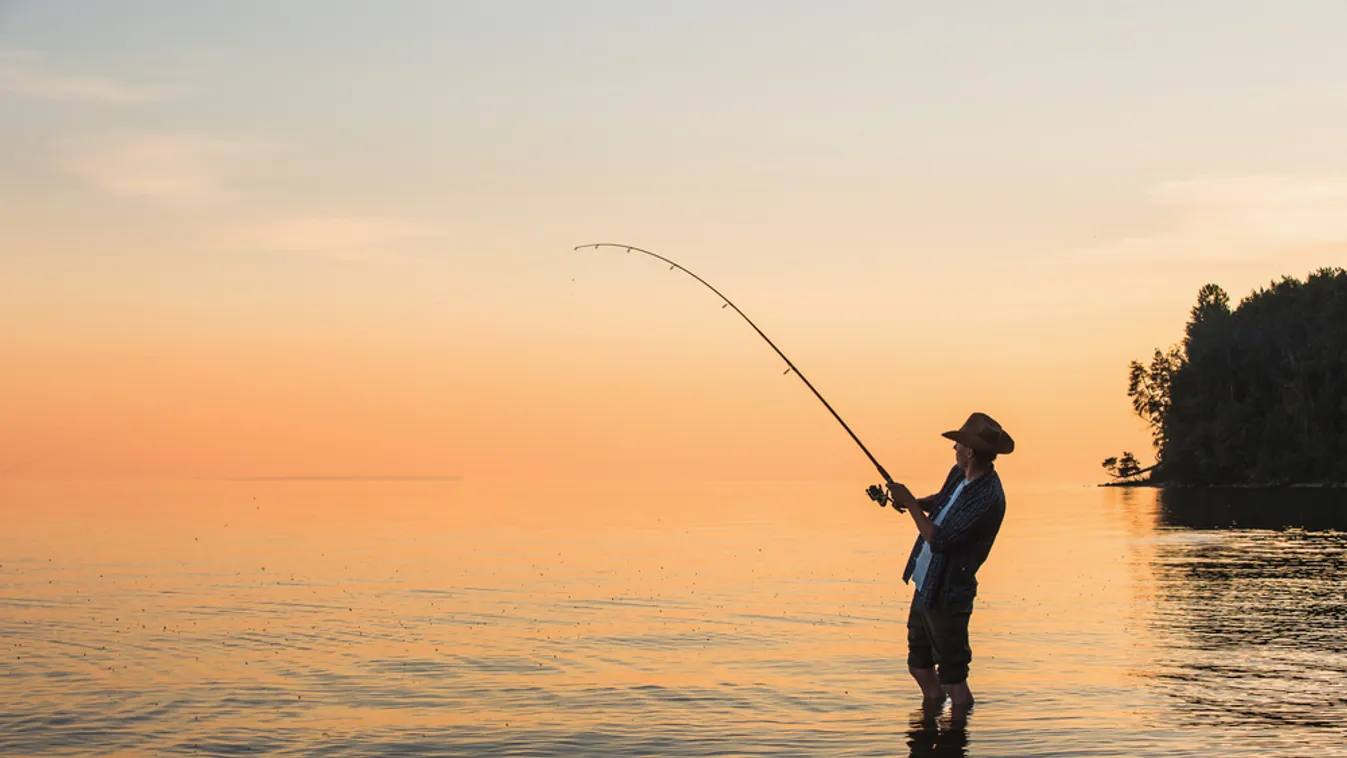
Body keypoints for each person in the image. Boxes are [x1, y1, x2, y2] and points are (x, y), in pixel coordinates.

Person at [883, 412, 1013, 710]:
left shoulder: (989, 497)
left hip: (948, 594)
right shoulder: (959, 474)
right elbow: (941, 501)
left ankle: (957, 732)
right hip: (926, 584)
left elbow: (939, 540)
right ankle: (929, 723)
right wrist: (913, 502)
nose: (954, 448)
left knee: (953, 679)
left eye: (959, 444)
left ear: (970, 452)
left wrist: (911, 504)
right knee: (918, 666)